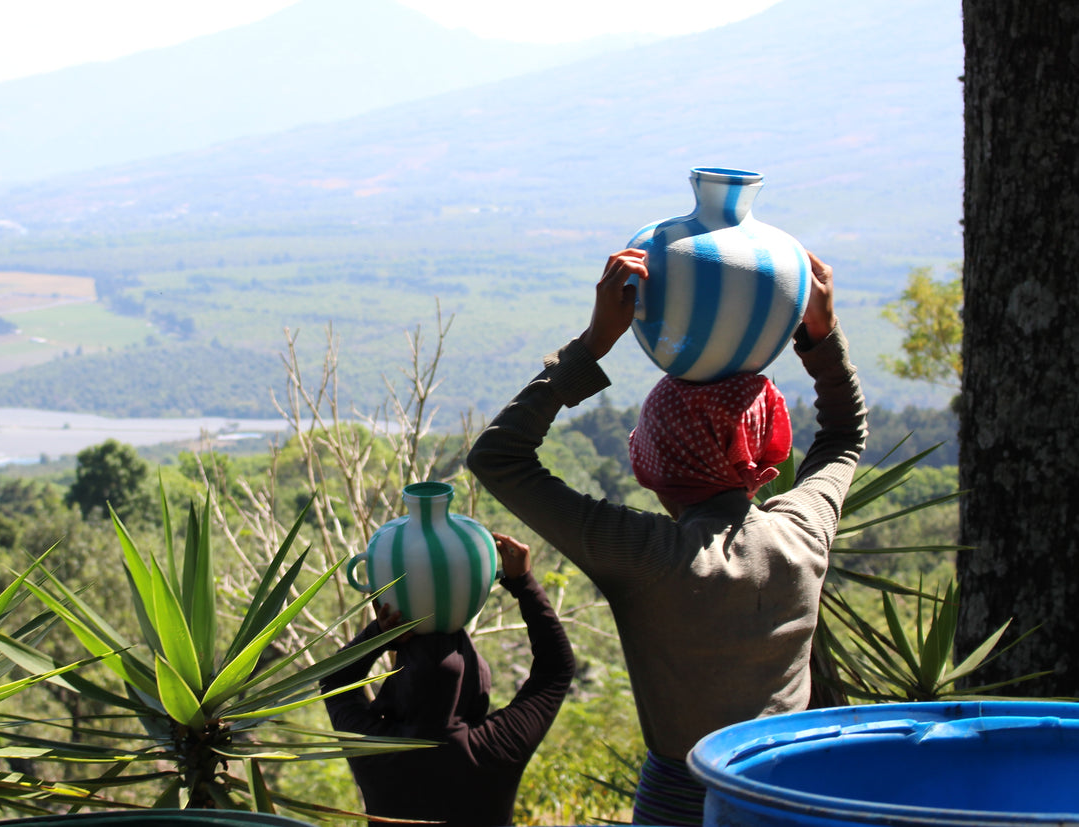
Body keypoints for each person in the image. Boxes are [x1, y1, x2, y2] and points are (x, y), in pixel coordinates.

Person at [465, 248, 867, 826]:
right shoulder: (802, 532)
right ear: (764, 451)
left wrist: (592, 345)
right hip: (791, 792)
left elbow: (499, 457)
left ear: (652, 466)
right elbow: (843, 436)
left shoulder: (646, 555)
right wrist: (821, 337)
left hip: (681, 800)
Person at [321, 532, 576, 826]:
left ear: (398, 686)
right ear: (475, 683)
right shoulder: (496, 749)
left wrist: (379, 636)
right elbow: (556, 670)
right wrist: (523, 583)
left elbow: (334, 682)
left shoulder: (375, 751)